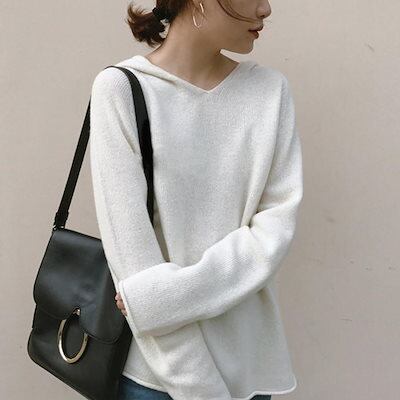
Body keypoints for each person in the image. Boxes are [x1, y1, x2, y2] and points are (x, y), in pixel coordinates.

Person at [89, 0, 303, 399]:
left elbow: (275, 230)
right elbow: (132, 260)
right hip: (155, 376)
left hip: (252, 371)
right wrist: (202, 388)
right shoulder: (121, 89)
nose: (266, 9)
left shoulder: (269, 91)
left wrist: (161, 299)